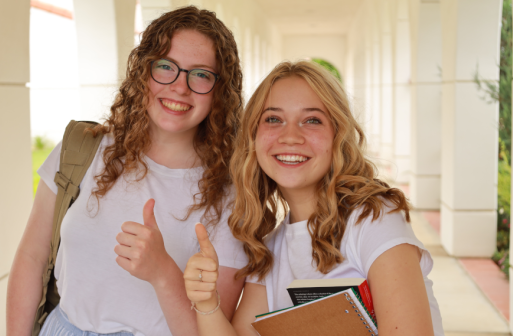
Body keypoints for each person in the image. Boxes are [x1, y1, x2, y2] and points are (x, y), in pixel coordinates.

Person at [7, 6, 248, 336]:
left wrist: (163, 273)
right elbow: (32, 257)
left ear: (220, 92)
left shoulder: (234, 195)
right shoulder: (81, 149)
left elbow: (210, 331)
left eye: (201, 74)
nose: (180, 87)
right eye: (166, 67)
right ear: (142, 72)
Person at [184, 61, 445, 336]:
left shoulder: (374, 218)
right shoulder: (271, 249)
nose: (291, 136)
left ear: (338, 135)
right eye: (273, 119)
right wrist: (206, 302)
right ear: (253, 137)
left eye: (312, 120)